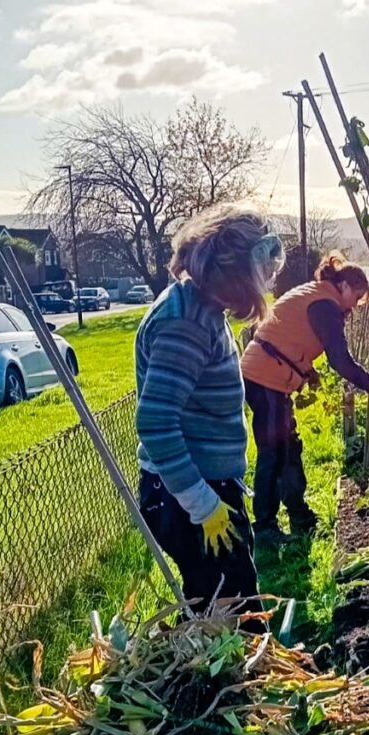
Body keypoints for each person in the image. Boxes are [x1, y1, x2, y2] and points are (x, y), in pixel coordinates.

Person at [135, 205, 282, 614]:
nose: (267, 279)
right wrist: (203, 505)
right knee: (232, 615)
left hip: (203, 490)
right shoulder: (187, 324)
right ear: (234, 271)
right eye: (262, 267)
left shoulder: (201, 309)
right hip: (190, 497)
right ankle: (238, 679)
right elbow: (156, 423)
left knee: (224, 606)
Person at [241, 253, 369, 542]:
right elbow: (341, 361)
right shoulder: (326, 305)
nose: (355, 305)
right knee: (273, 452)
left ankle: (298, 512)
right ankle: (264, 526)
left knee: (289, 445)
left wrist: (306, 369)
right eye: (358, 296)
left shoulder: (316, 293)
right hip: (266, 377)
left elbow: (288, 331)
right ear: (345, 286)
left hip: (267, 373)